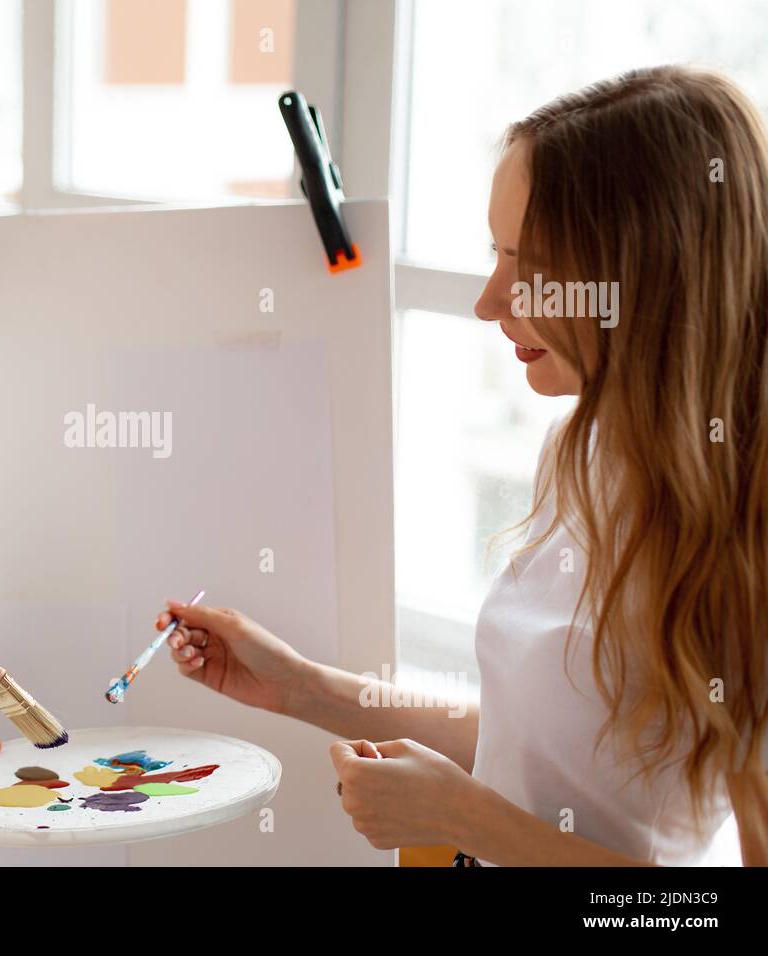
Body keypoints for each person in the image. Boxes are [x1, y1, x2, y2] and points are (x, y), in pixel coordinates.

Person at [157, 65, 768, 866]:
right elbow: (542, 749)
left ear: (649, 277)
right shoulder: (582, 453)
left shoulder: (746, 544)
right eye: (497, 254)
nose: (490, 300)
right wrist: (301, 686)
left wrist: (469, 819)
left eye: (533, 266)